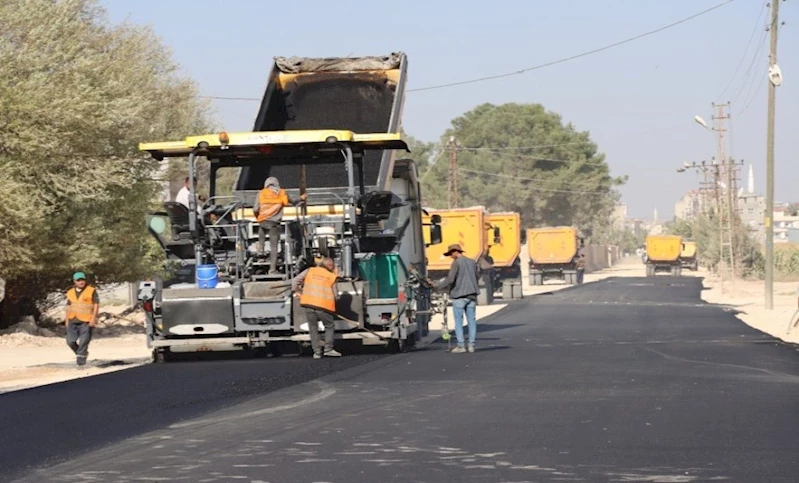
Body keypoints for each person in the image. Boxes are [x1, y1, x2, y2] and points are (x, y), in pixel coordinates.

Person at [432, 244, 480, 354]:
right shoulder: (472, 262)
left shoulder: (456, 263)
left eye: (450, 254)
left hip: (459, 296)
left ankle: (461, 346)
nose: (450, 256)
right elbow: (477, 276)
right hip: (472, 295)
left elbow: (450, 280)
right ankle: (471, 345)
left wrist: (436, 286)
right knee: (472, 321)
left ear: (455, 252)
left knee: (459, 322)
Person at [253, 177, 306, 273]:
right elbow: (293, 201)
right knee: (274, 247)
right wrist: (301, 198)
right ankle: (272, 270)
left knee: (262, 237)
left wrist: (258, 218)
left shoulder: (261, 193)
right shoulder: (282, 193)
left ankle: (260, 254)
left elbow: (255, 209)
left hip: (262, 222)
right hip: (274, 223)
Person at [292, 257, 342, 359]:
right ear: (331, 267)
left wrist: (297, 292)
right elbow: (335, 295)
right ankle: (328, 349)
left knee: (313, 328)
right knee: (329, 326)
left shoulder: (309, 271)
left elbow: (295, 281)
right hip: (324, 307)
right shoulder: (331, 276)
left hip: (309, 305)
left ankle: (317, 353)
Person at [64, 272, 99, 367]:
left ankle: (81, 363)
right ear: (74, 281)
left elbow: (96, 304)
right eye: (78, 280)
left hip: (86, 321)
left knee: (84, 342)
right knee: (70, 341)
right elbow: (68, 306)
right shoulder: (70, 292)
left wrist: (93, 319)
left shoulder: (91, 290)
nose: (81, 282)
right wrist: (66, 320)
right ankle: (82, 354)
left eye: (82, 280)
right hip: (72, 320)